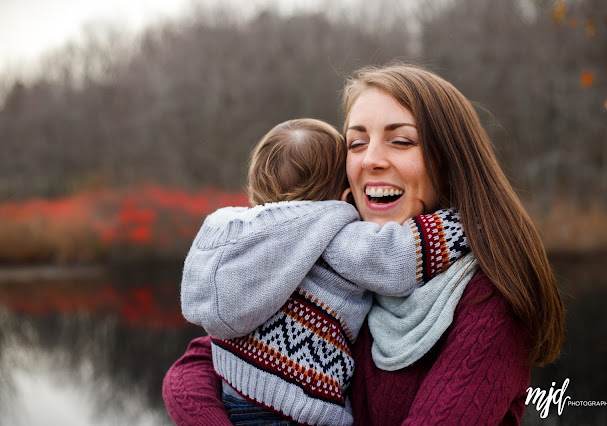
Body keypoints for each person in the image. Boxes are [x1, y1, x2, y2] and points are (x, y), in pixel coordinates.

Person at [163, 63, 565, 425]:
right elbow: (197, 364)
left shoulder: (489, 302)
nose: (371, 159)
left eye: (401, 141)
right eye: (356, 144)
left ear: (450, 160)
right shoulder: (339, 256)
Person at [181, 118, 469, 425]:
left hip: (232, 395)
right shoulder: (330, 234)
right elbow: (397, 258)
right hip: (296, 407)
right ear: (343, 195)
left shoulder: (229, 234)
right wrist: (464, 221)